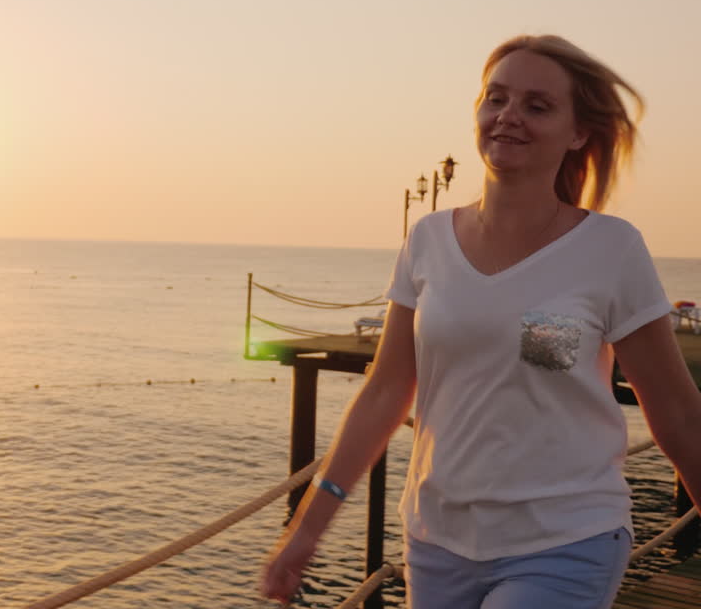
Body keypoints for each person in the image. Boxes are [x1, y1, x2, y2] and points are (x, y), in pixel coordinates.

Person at [259, 35, 701, 608]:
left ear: (577, 133)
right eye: (497, 98)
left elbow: (678, 414)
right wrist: (306, 529)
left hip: (565, 541)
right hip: (436, 543)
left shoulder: (610, 250)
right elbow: (385, 391)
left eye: (537, 106)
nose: (509, 116)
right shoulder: (427, 241)